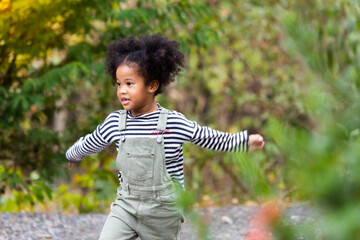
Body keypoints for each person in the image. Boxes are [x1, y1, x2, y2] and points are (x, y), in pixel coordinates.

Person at [65, 33, 265, 240]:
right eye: (118, 84)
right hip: (126, 206)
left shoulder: (172, 122)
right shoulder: (116, 122)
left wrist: (243, 141)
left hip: (163, 212)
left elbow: (208, 137)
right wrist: (72, 154)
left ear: (152, 86)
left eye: (129, 84)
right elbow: (92, 141)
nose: (122, 91)